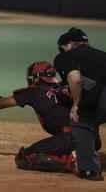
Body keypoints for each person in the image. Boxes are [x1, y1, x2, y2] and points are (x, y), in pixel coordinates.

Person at [0, 61, 77, 173]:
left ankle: (71, 162)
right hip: (85, 135)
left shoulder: (34, 92)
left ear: (38, 78)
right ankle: (79, 152)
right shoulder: (67, 87)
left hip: (65, 138)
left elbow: (3, 102)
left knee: (25, 157)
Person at [54, 27, 106, 181]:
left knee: (80, 119)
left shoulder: (65, 57)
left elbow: (75, 79)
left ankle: (90, 170)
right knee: (91, 112)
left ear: (69, 44)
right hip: (101, 95)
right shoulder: (102, 55)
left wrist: (77, 104)